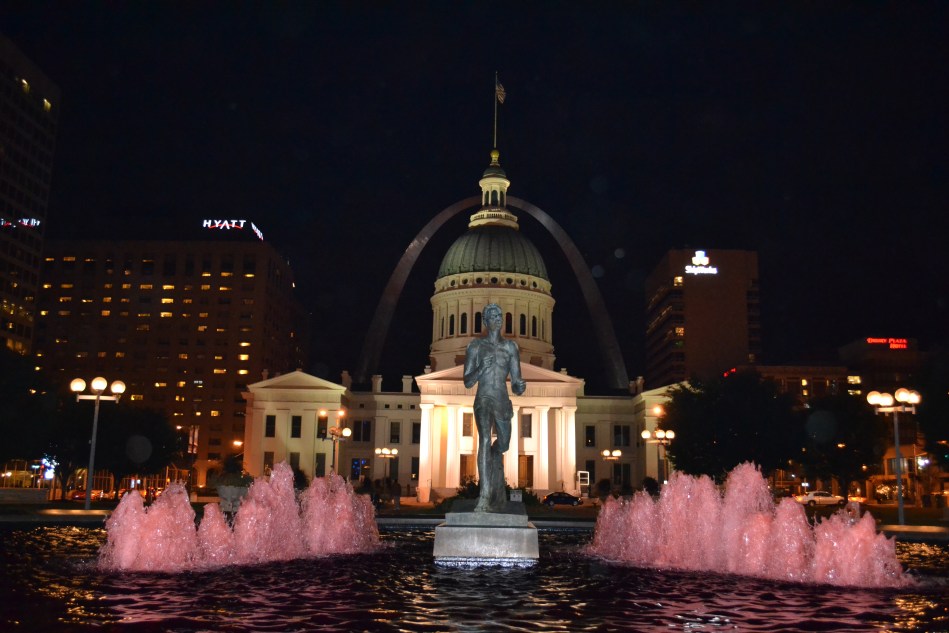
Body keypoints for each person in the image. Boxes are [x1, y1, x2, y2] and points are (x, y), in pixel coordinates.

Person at [463, 303, 527, 512]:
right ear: (485, 321)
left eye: (500, 315)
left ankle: (491, 457)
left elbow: (516, 382)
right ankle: (484, 496)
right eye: (492, 315)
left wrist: (519, 386)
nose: (497, 318)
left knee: (505, 443)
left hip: (501, 398)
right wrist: (481, 368)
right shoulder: (476, 347)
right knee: (483, 439)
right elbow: (467, 381)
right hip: (483, 398)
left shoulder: (510, 348)